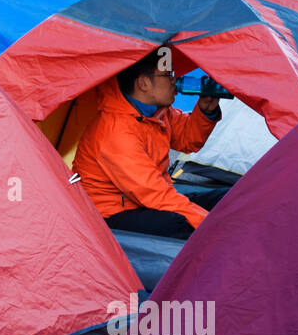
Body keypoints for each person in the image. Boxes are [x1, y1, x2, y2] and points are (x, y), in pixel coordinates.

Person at [71, 50, 226, 240]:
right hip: (111, 214)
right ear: (143, 83)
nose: (174, 80)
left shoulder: (158, 112)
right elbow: (152, 193)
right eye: (167, 75)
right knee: (181, 223)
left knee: (227, 199)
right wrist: (209, 224)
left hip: (147, 201)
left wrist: (205, 111)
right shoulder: (115, 131)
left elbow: (188, 140)